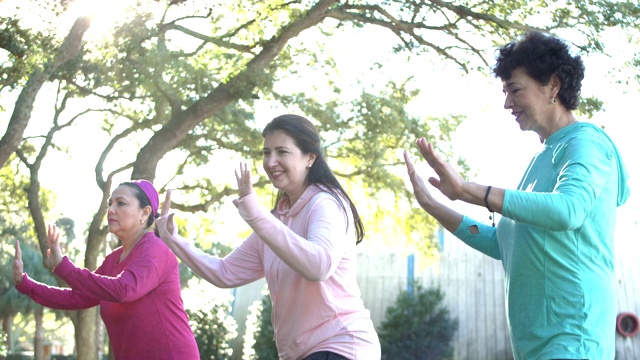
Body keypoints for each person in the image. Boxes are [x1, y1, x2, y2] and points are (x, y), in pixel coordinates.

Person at [403, 31, 630, 360]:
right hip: (536, 345)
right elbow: (502, 243)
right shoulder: (539, 162)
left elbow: (569, 210)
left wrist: (468, 190)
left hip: (573, 340)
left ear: (552, 85)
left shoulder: (587, 142)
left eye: (515, 89)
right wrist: (433, 206)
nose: (507, 103)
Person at [156, 114, 381, 360]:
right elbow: (224, 272)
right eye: (266, 153)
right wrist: (173, 240)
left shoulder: (324, 203)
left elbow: (319, 266)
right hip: (304, 353)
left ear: (310, 157)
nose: (271, 161)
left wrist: (257, 216)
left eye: (282, 152)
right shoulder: (277, 220)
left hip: (340, 346)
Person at [12, 180, 200, 360]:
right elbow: (76, 296)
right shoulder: (113, 260)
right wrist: (25, 283)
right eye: (110, 204)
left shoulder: (156, 249)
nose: (110, 210)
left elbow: (124, 289)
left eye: (121, 203)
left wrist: (64, 266)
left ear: (145, 213)